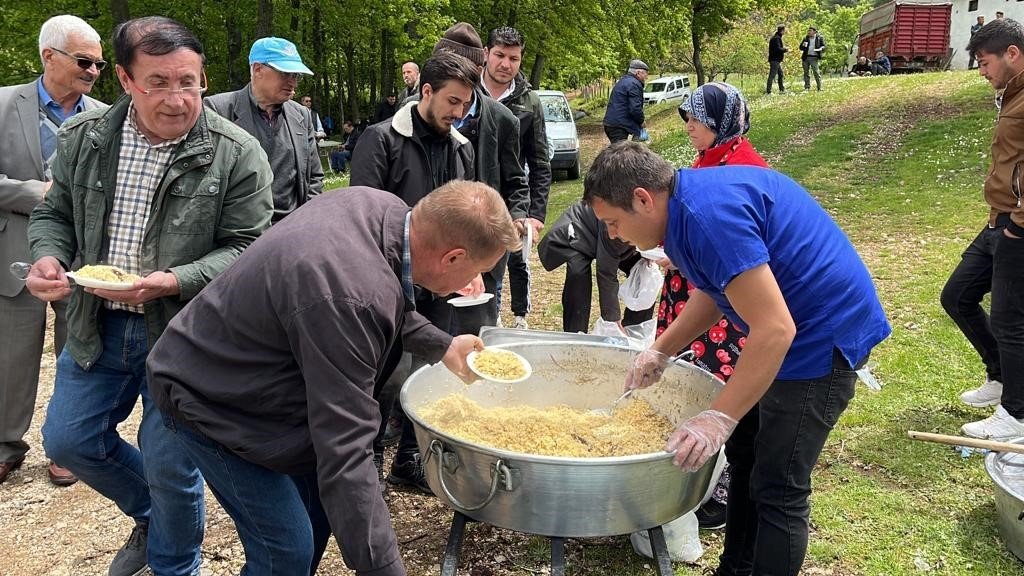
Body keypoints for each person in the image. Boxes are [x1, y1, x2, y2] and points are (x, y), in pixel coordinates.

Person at [148, 180, 518, 576]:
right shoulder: (347, 291)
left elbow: (381, 301)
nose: (473, 284)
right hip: (207, 394)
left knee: (322, 512)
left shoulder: (382, 209)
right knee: (286, 549)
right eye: (477, 272)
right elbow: (345, 448)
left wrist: (443, 345)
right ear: (452, 257)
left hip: (258, 371)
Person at [25, 16, 273, 576]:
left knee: (170, 464)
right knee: (68, 441)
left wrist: (175, 279)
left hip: (186, 336)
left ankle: (175, 565)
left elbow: (251, 247)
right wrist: (49, 256)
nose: (177, 98)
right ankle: (152, 517)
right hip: (98, 321)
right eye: (159, 82)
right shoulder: (86, 141)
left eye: (189, 81)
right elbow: (54, 214)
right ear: (124, 78)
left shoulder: (236, 152)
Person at [585, 141, 890, 576]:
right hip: (786, 328)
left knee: (778, 485)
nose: (614, 235)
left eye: (613, 222)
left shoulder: (707, 217)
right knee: (745, 455)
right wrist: (660, 349)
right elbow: (715, 290)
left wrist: (717, 418)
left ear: (642, 198)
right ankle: (735, 569)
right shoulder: (682, 213)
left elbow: (776, 330)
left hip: (821, 338)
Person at [351, 51, 478, 493]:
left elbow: (465, 217)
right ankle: (368, 465)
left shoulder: (462, 149)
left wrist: (469, 266)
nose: (459, 113)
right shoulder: (380, 139)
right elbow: (361, 216)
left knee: (430, 366)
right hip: (384, 280)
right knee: (379, 375)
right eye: (452, 102)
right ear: (426, 91)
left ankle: (409, 458)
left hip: (438, 283)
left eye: (466, 104)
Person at [0, 14, 106, 488]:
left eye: (100, 64)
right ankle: (5, 445)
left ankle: (69, 447)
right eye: (85, 61)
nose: (94, 71)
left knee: (76, 351)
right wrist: (35, 193)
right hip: (14, 252)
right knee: (11, 355)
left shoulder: (105, 116)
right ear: (49, 56)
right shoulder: (3, 104)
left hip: (82, 256)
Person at [662, 82, 768, 530]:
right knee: (693, 375)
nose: (688, 127)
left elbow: (743, 250)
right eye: (686, 117)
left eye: (697, 119)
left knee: (724, 385)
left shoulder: (745, 166)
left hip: (726, 300)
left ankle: (722, 486)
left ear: (723, 122)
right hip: (698, 291)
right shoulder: (708, 159)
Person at [432, 22, 530, 335]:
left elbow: (516, 180)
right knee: (433, 330)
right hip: (432, 244)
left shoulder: (503, 120)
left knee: (479, 329)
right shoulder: (415, 115)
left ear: (478, 66)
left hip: (485, 242)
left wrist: (516, 218)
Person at [958, 18, 1024, 441]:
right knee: (958, 297)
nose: (982, 72)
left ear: (1012, 54)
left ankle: (1016, 415)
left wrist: (1018, 225)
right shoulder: (1011, 95)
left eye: (985, 63)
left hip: (1017, 228)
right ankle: (1000, 377)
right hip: (997, 221)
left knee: (1010, 320)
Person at [205, 37, 323, 224]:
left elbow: (314, 175)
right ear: (258, 69)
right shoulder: (217, 110)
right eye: (285, 73)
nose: (293, 82)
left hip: (291, 228)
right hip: (240, 232)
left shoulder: (302, 115)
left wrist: (306, 221)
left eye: (296, 76)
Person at [482, 26, 552, 330]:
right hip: (472, 193)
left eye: (514, 58)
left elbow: (539, 160)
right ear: (486, 54)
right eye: (499, 55)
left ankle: (512, 317)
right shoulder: (468, 92)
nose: (505, 64)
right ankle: (485, 318)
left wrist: (535, 214)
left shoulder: (530, 102)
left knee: (511, 262)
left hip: (512, 198)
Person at [537, 200, 647, 333]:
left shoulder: (648, 220)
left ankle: (633, 329)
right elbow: (606, 271)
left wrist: (648, 254)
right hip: (578, 230)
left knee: (645, 272)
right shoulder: (614, 229)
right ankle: (575, 334)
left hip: (615, 240)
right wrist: (612, 319)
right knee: (578, 274)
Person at [604, 59, 648, 143]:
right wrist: (641, 121)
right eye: (645, 73)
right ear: (638, 73)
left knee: (621, 151)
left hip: (613, 124)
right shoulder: (634, 84)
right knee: (620, 153)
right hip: (619, 126)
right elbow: (635, 108)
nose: (646, 77)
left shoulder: (624, 81)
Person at [799, 26, 826, 91]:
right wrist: (804, 45)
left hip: (814, 57)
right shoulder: (806, 38)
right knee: (806, 73)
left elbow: (824, 46)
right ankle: (807, 87)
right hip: (806, 57)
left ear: (814, 32)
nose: (809, 32)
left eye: (810, 31)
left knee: (816, 72)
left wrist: (820, 49)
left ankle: (819, 87)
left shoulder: (819, 38)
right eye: (808, 31)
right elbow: (800, 48)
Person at [766, 25, 788, 94]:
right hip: (774, 59)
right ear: (782, 31)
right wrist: (785, 49)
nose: (785, 32)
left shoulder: (776, 37)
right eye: (784, 30)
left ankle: (782, 89)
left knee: (780, 74)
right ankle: (768, 91)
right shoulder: (776, 38)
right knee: (772, 75)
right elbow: (778, 49)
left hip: (776, 60)